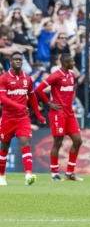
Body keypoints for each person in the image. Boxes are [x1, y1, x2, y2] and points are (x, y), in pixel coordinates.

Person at [35, 54, 83, 181]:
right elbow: (39, 88)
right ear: (65, 63)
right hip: (58, 113)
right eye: (72, 61)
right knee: (58, 142)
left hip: (69, 113)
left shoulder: (71, 75)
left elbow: (71, 91)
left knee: (78, 141)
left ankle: (69, 173)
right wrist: (49, 103)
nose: (74, 62)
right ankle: (54, 174)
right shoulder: (56, 75)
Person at [0, 52, 45, 186]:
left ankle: (28, 175)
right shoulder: (4, 78)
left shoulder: (27, 79)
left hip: (23, 118)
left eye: (20, 59)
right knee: (4, 148)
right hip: (8, 118)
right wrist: (18, 106)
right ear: (11, 62)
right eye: (16, 60)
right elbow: (2, 98)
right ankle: (1, 176)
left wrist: (38, 115)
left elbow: (32, 97)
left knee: (25, 143)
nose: (18, 62)